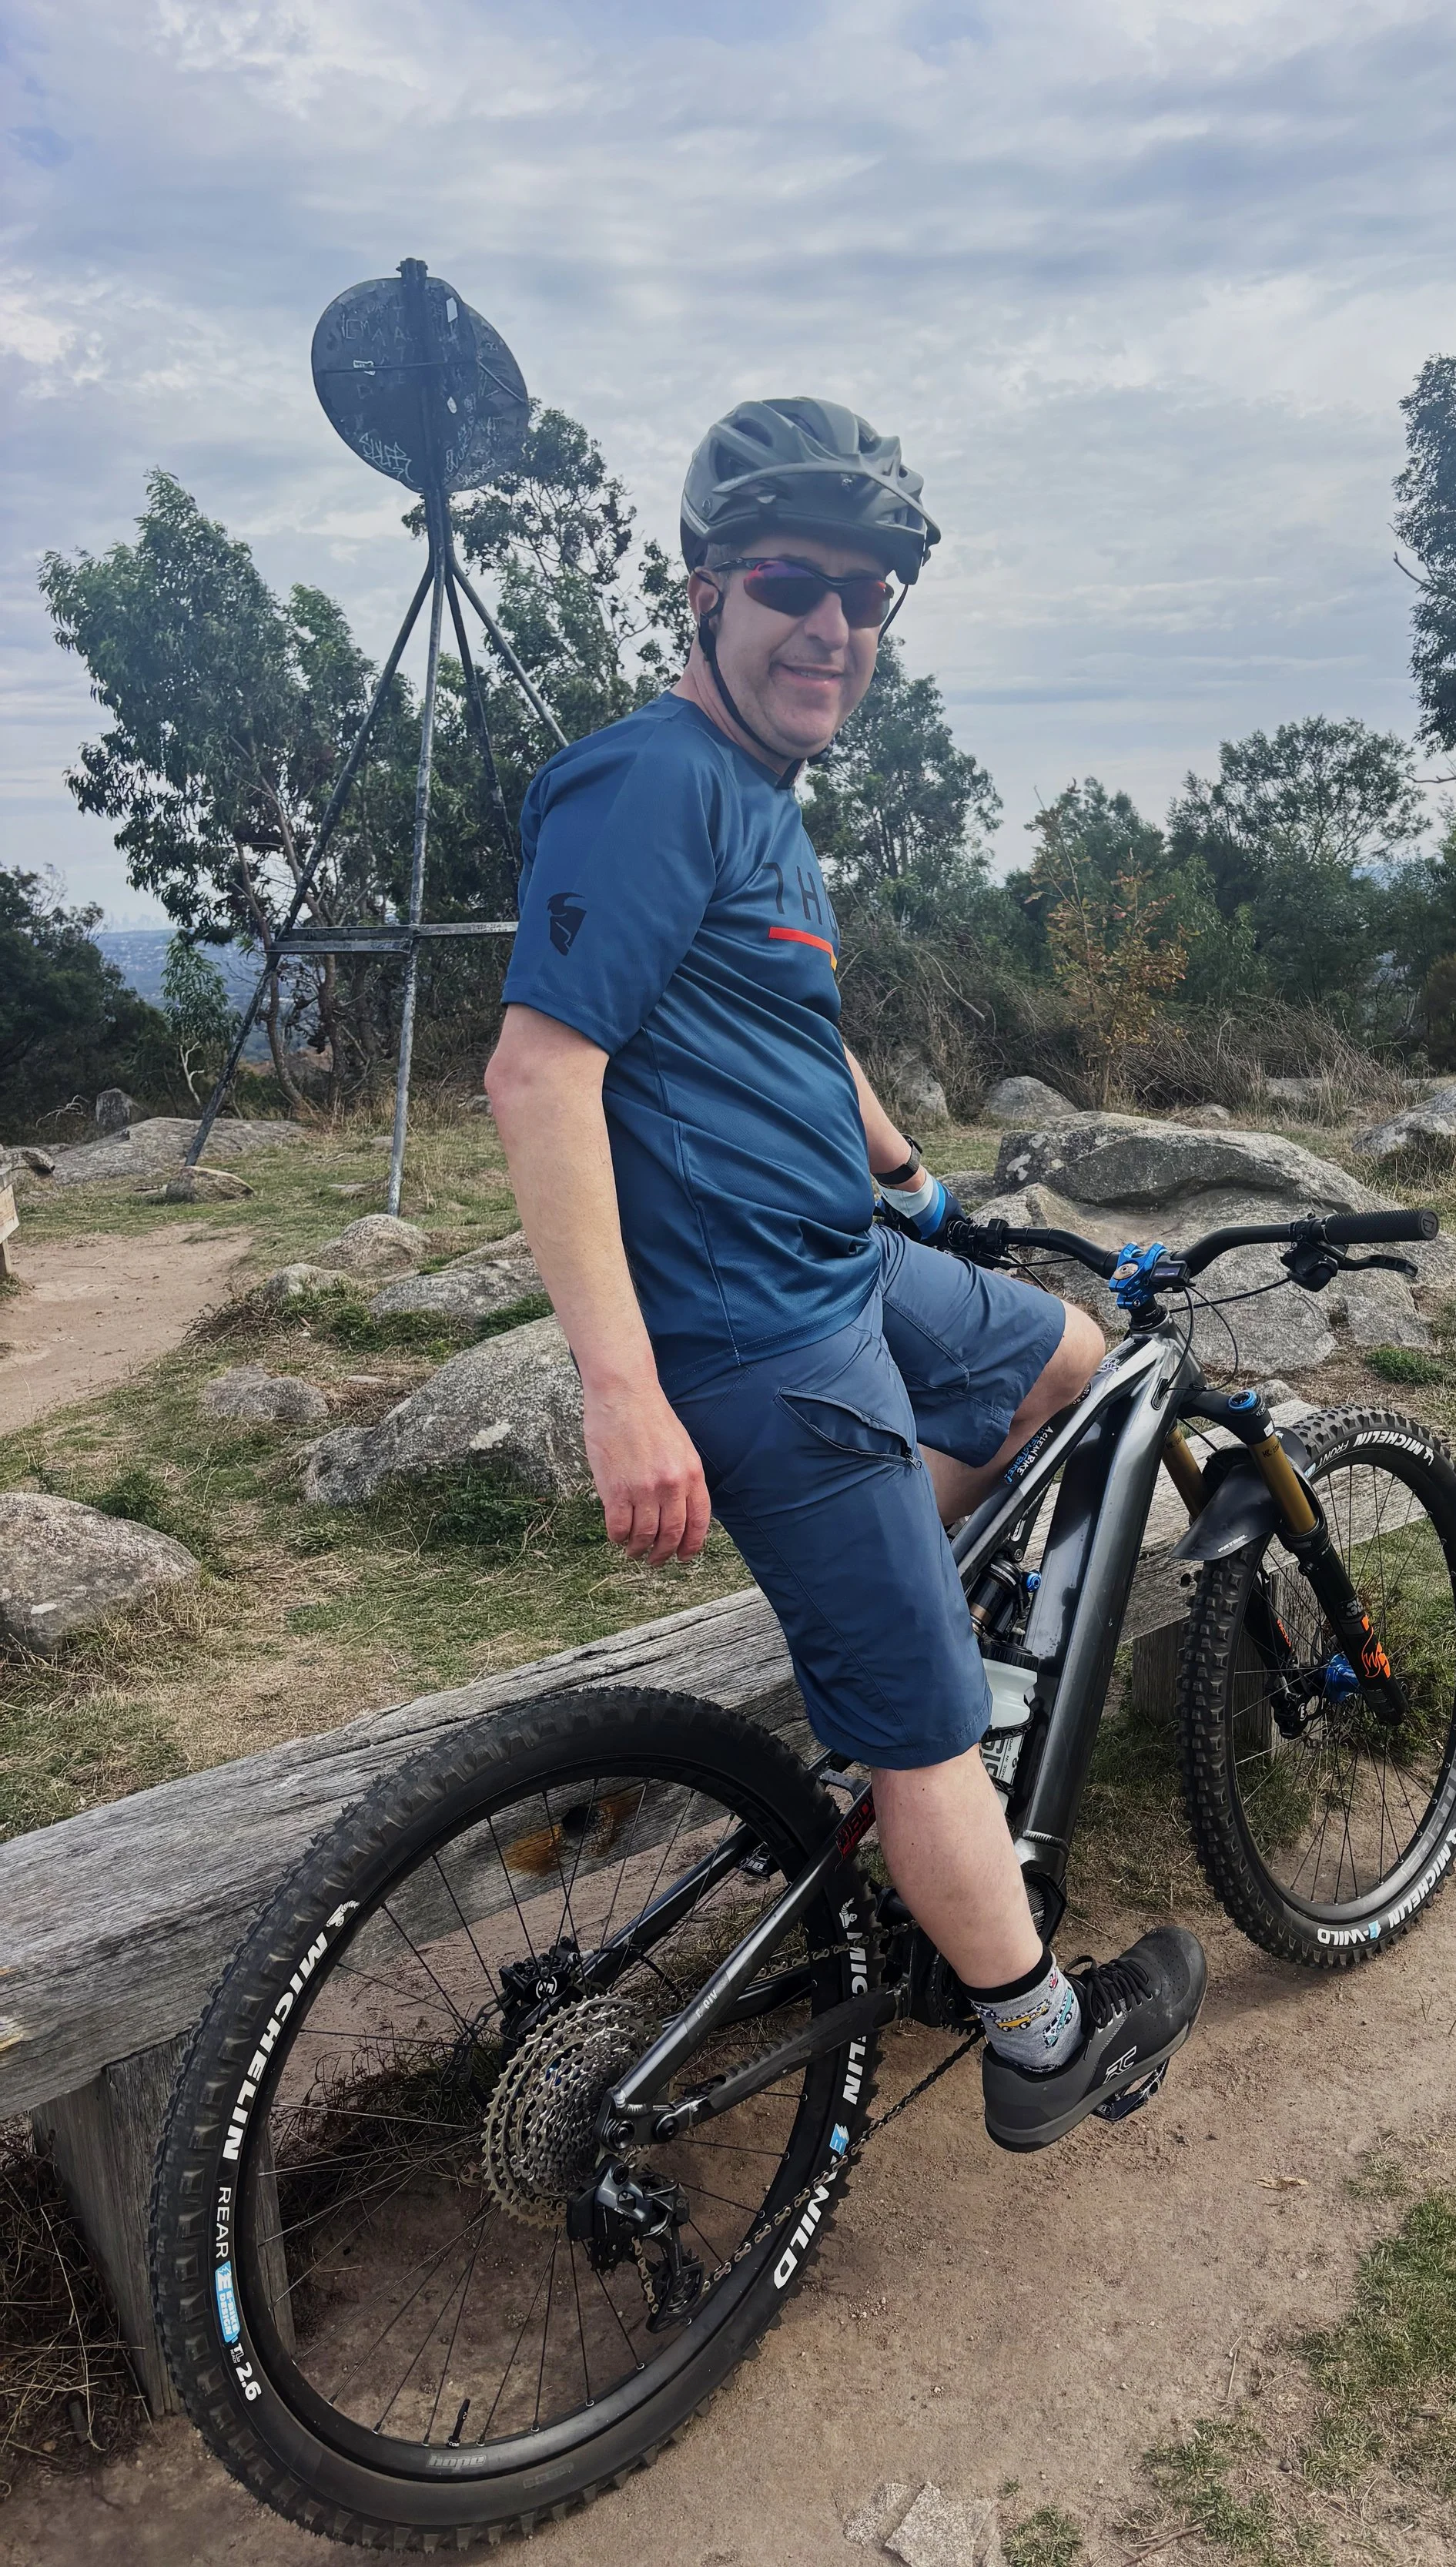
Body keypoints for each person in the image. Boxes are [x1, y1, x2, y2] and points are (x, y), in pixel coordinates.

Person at [487, 397, 1206, 2150]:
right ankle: (1037, 2035)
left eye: (864, 596)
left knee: (1065, 1359)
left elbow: (793, 1027)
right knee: (924, 1736)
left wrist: (917, 1183)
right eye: (790, 586)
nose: (831, 626)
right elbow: (540, 1072)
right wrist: (621, 1391)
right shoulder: (656, 780)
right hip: (761, 1340)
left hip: (846, 1264)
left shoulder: (758, 796)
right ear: (705, 594)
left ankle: (894, 1621)